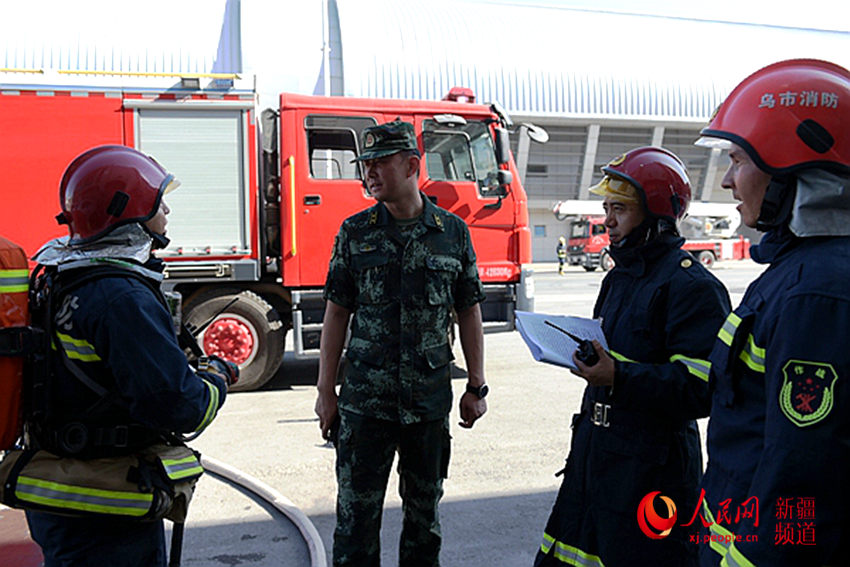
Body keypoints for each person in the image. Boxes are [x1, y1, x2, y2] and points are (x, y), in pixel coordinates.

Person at [24, 145, 235, 567]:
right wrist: (216, 378)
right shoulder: (121, 297)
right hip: (107, 510)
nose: (168, 212)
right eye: (160, 201)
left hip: (61, 491)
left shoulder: (59, 278)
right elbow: (180, 406)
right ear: (129, 210)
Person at [534, 147, 731, 567]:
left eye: (619, 209)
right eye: (607, 208)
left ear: (656, 214)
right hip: (595, 457)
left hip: (651, 476)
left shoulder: (692, 287)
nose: (607, 221)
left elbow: (702, 389)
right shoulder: (619, 278)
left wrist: (618, 376)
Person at [694, 59, 850, 566]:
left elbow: (799, 479)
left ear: (792, 172)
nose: (725, 182)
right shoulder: (802, 273)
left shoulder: (815, 294)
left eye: (737, 161)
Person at [314, 120, 488, 567]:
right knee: (355, 523)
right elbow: (337, 313)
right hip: (365, 406)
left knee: (424, 523)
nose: (369, 173)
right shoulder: (355, 232)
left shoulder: (452, 232)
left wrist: (475, 386)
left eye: (378, 163)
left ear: (412, 165)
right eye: (365, 165)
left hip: (427, 406)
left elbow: (468, 311)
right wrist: (325, 393)